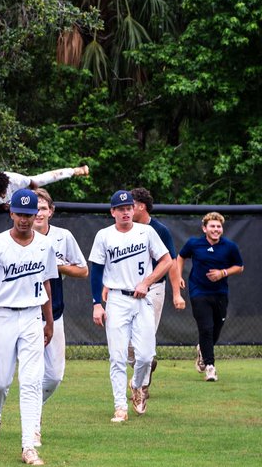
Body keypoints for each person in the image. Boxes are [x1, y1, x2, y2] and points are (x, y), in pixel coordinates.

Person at [0, 188, 57, 467]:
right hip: (4, 316)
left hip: (31, 316)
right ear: (10, 212)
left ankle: (28, 445)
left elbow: (46, 283)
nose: (24, 220)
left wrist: (49, 320)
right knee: (1, 382)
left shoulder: (44, 244)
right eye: (20, 213)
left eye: (29, 214)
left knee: (31, 382)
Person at [88, 190, 172, 422]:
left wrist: (147, 281)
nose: (126, 212)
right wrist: (97, 303)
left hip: (141, 298)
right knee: (117, 356)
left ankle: (136, 386)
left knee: (145, 356)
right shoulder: (104, 235)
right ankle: (120, 407)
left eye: (129, 208)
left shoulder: (147, 232)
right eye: (121, 208)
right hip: (115, 299)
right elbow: (95, 272)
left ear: (134, 209)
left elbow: (167, 261)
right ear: (112, 211)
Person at [33, 188, 88, 440]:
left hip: (54, 312)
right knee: (29, 373)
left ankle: (33, 407)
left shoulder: (63, 236)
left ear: (51, 211)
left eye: (43, 208)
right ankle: (31, 422)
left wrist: (58, 266)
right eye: (34, 208)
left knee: (54, 376)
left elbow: (83, 270)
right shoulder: (16, 237)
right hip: (24, 313)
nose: (38, 213)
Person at [174, 212, 242, 383]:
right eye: (212, 226)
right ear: (204, 228)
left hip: (220, 293)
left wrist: (223, 273)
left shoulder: (230, 246)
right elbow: (180, 257)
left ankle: (202, 350)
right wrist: (179, 276)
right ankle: (210, 367)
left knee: (216, 329)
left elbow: (239, 266)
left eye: (218, 226)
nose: (216, 229)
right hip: (199, 292)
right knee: (206, 328)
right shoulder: (194, 244)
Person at [129, 187, 181, 393]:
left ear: (141, 206)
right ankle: (145, 365)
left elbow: (171, 262)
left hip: (154, 290)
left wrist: (176, 293)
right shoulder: (123, 228)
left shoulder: (160, 230)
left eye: (130, 205)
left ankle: (141, 386)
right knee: (126, 344)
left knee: (146, 336)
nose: (126, 209)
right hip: (127, 291)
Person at [0, 165, 90, 210]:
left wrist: (35, 193)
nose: (3, 194)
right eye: (0, 193)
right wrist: (2, 207)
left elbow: (32, 183)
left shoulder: (14, 179)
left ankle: (73, 171)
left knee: (41, 179)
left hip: (14, 194)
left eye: (4, 191)